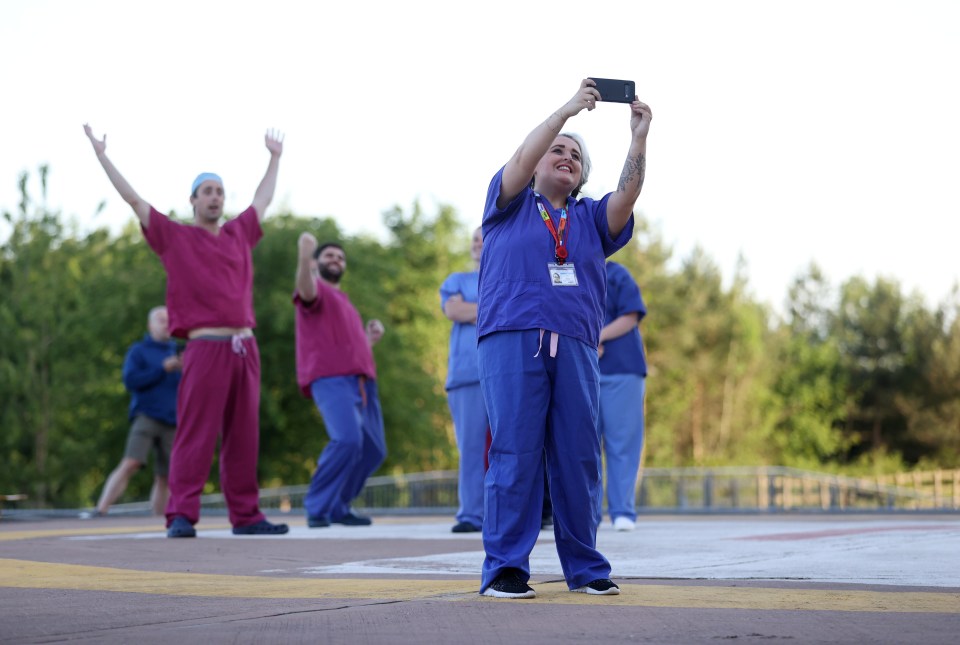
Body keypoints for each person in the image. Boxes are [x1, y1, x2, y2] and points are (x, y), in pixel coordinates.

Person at [476, 79, 652, 599]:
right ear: (535, 164)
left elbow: (627, 195)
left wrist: (638, 139)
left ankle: (586, 567)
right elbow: (522, 154)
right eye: (557, 150)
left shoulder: (590, 218)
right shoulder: (506, 202)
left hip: (575, 344)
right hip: (512, 337)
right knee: (514, 452)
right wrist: (567, 113)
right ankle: (506, 568)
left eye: (576, 155)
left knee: (577, 456)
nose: (566, 155)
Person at [83, 124, 289, 538]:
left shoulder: (239, 234)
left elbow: (263, 199)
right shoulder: (175, 237)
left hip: (245, 347)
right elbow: (134, 200)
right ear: (193, 200)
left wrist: (274, 158)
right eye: (206, 191)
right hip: (204, 347)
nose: (215, 197)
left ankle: (246, 516)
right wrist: (102, 155)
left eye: (219, 191)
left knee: (243, 435)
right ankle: (181, 514)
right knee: (196, 432)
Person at [294, 235, 387, 527]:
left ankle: (338, 505)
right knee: (347, 439)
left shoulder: (343, 300)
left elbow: (348, 347)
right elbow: (305, 289)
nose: (335, 260)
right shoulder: (316, 289)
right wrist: (304, 255)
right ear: (316, 263)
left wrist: (369, 340)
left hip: (361, 381)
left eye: (340, 257)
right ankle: (318, 506)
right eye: (329, 256)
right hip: (329, 377)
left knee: (374, 449)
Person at [94, 306, 182, 516]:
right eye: (160, 319)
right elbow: (131, 380)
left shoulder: (178, 352)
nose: (166, 323)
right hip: (147, 416)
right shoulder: (139, 350)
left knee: (165, 475)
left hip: (173, 420)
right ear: (150, 325)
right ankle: (101, 509)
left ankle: (158, 519)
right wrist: (162, 369)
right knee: (131, 461)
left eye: (169, 319)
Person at [440, 227, 487, 533]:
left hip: (505, 373)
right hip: (467, 375)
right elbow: (453, 310)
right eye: (474, 240)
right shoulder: (457, 280)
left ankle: (511, 514)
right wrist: (494, 309)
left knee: (510, 448)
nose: (477, 244)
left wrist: (473, 310)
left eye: (484, 239)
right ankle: (471, 514)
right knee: (471, 447)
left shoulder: (507, 279)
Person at [597, 261, 648, 532]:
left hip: (622, 371)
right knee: (582, 446)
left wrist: (597, 336)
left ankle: (622, 511)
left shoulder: (617, 274)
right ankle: (586, 515)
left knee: (622, 443)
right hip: (582, 370)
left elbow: (631, 315)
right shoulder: (566, 269)